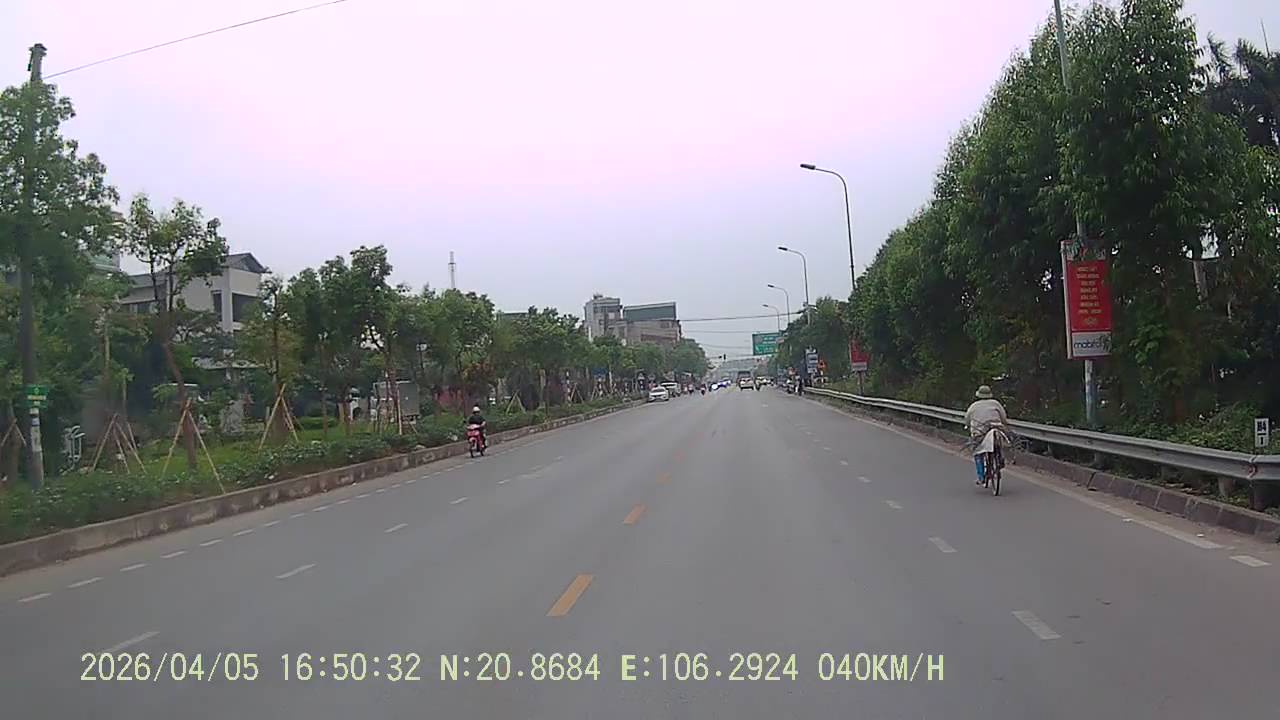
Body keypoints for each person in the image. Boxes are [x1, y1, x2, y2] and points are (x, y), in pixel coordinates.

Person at [965, 385, 1009, 484]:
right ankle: (1000, 459)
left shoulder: (974, 406)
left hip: (980, 432)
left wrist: (967, 425)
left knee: (977, 451)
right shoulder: (996, 403)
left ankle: (981, 477)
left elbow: (967, 419)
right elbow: (1004, 417)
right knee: (999, 443)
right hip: (996, 428)